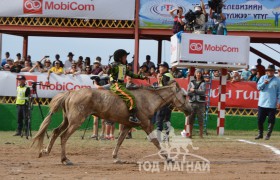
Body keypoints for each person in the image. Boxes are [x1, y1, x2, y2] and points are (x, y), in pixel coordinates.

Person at [109, 49, 147, 124]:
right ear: (120, 58)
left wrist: (142, 77)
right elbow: (110, 71)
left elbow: (131, 74)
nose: (126, 59)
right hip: (116, 85)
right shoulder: (115, 65)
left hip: (121, 85)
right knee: (130, 97)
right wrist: (109, 69)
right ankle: (132, 116)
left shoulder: (123, 66)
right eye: (125, 57)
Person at [255, 65, 280, 140]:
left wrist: (279, 101)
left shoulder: (278, 80)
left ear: (273, 72)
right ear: (266, 71)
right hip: (262, 103)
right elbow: (258, 88)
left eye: (272, 71)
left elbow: (279, 92)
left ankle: (268, 135)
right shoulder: (262, 78)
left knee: (271, 120)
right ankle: (260, 134)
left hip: (272, 104)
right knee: (260, 119)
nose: (270, 72)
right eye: (269, 70)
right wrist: (264, 83)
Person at [156, 62, 174, 142]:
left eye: (162, 67)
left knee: (159, 118)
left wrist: (159, 79)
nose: (160, 69)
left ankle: (159, 137)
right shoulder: (169, 75)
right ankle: (166, 137)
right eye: (160, 67)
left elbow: (164, 89)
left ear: (166, 68)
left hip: (164, 101)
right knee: (167, 119)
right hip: (169, 101)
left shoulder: (165, 76)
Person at [187, 69, 206, 138]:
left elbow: (203, 92)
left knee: (200, 118)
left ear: (201, 74)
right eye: (197, 73)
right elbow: (188, 92)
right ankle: (190, 134)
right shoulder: (191, 82)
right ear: (195, 74)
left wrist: (194, 90)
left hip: (200, 103)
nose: (198, 74)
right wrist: (196, 91)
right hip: (192, 103)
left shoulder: (203, 83)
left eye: (200, 73)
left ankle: (201, 135)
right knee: (190, 119)